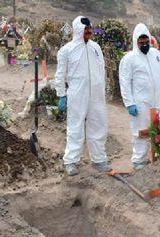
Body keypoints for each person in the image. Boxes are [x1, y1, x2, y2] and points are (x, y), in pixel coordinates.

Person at [54, 16, 110, 176]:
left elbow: (102, 70)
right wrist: (61, 94)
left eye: (90, 29)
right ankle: (71, 161)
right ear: (78, 30)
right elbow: (60, 74)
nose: (89, 32)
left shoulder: (95, 48)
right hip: (77, 94)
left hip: (96, 95)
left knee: (98, 125)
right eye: (86, 30)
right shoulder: (66, 50)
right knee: (75, 127)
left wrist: (102, 89)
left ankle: (99, 159)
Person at [119, 23, 160, 170]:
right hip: (141, 103)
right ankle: (139, 161)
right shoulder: (129, 59)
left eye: (146, 41)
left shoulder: (156, 55)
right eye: (141, 42)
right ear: (136, 42)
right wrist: (129, 103)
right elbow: (124, 82)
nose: (144, 44)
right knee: (141, 132)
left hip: (159, 101)